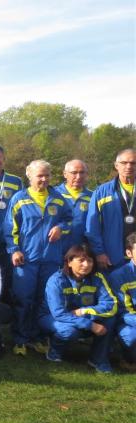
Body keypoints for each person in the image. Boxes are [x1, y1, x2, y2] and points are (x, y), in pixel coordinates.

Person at [4, 160, 72, 356]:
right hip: (26, 259)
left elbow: (70, 220)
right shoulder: (19, 198)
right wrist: (14, 250)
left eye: (47, 175)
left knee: (44, 300)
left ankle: (38, 337)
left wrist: (61, 228)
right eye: (39, 175)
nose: (44, 179)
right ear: (29, 176)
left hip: (51, 259)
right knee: (23, 300)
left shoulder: (58, 198)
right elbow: (9, 227)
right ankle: (20, 339)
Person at [40, 244, 117, 373]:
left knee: (110, 319)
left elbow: (111, 304)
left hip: (83, 316)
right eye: (81, 260)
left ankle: (98, 359)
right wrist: (90, 325)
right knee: (68, 331)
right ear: (69, 262)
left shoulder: (97, 278)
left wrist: (83, 312)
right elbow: (59, 314)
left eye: (90, 261)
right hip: (52, 317)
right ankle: (54, 351)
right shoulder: (56, 280)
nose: (86, 265)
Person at [87, 148, 136, 271]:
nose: (129, 166)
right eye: (124, 163)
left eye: (133, 163)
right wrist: (99, 252)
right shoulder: (101, 192)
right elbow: (92, 227)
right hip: (112, 257)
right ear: (116, 165)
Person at [108, 232, 136, 372]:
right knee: (132, 337)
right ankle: (128, 359)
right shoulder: (118, 276)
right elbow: (121, 311)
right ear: (129, 253)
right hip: (128, 322)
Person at [54, 159, 92, 254]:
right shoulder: (53, 195)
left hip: (81, 251)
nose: (78, 177)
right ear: (65, 174)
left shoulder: (92, 196)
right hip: (56, 248)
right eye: (74, 173)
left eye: (82, 172)